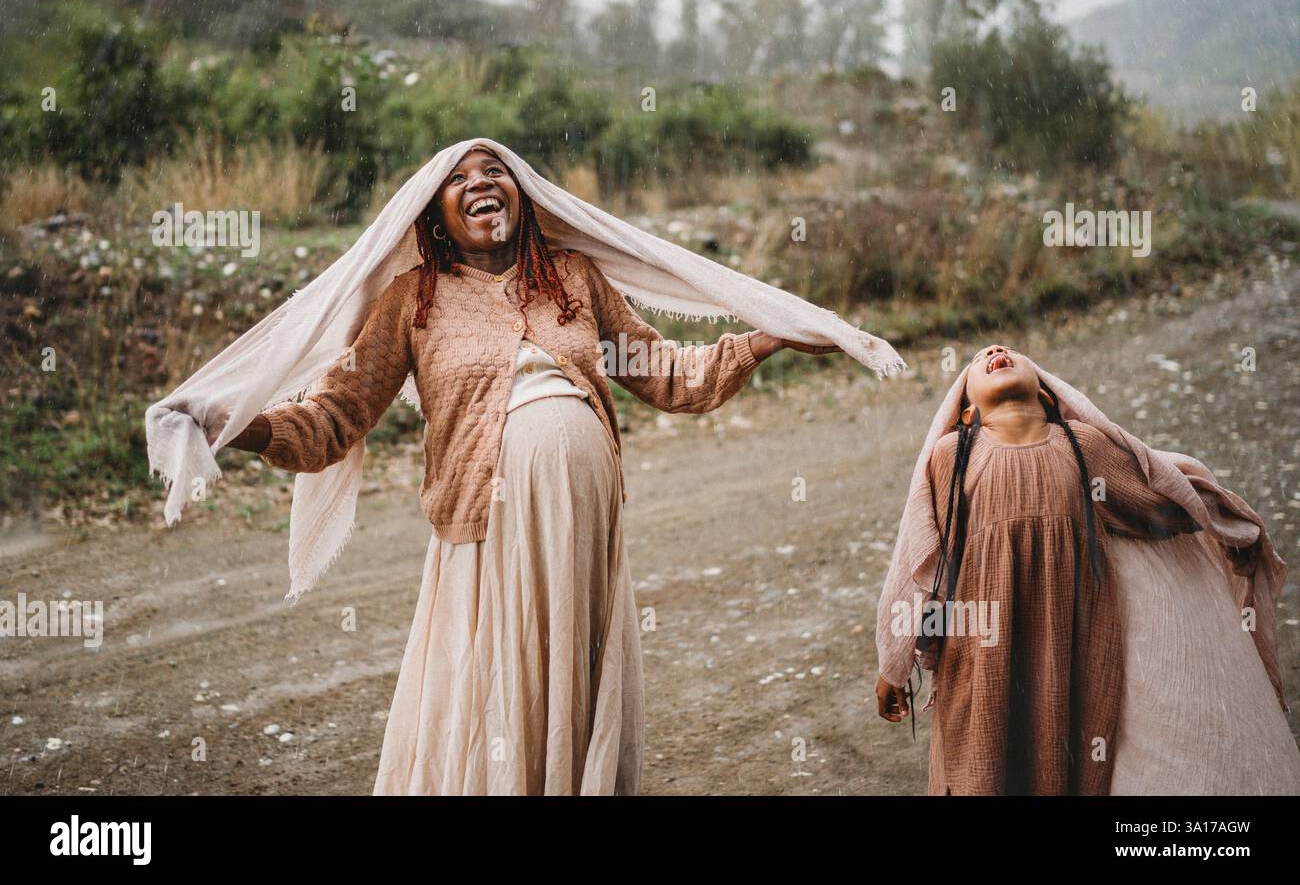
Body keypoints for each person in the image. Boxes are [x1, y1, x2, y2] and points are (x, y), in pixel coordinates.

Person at [221, 145, 838, 795]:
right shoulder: (413, 300)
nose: (480, 183)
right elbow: (332, 420)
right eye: (458, 179)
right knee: (498, 679)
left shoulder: (571, 276)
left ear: (524, 196)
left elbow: (664, 373)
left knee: (570, 669)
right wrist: (246, 425)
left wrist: (763, 339)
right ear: (434, 216)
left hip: (582, 527)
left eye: (495, 173)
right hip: (487, 529)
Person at [874, 345, 1300, 795]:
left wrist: (1232, 527)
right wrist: (893, 663)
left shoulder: (1083, 447)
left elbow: (1158, 497)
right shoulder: (952, 455)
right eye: (981, 360)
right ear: (965, 411)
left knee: (1063, 769)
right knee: (980, 768)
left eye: (1009, 352)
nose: (997, 352)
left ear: (1046, 392)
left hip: (1070, 648)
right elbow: (920, 556)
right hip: (978, 653)